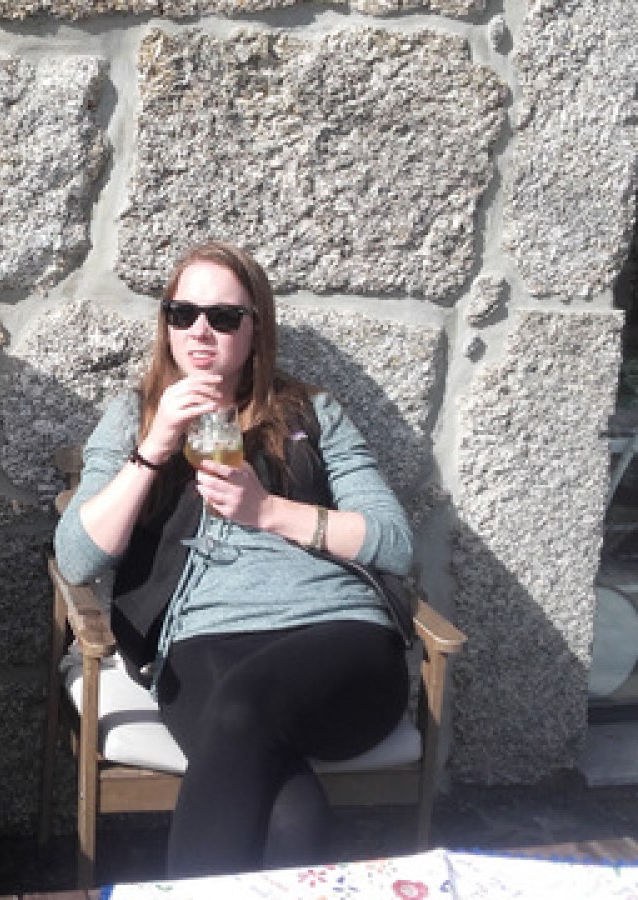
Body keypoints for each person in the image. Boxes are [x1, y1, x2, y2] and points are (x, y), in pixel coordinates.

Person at [54, 241, 412, 877]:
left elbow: (393, 540)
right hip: (201, 646)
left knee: (243, 704)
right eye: (182, 312)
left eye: (222, 317)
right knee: (291, 813)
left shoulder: (309, 411)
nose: (199, 331)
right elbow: (78, 560)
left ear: (256, 327)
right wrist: (154, 446)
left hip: (338, 642)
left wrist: (268, 511)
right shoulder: (133, 417)